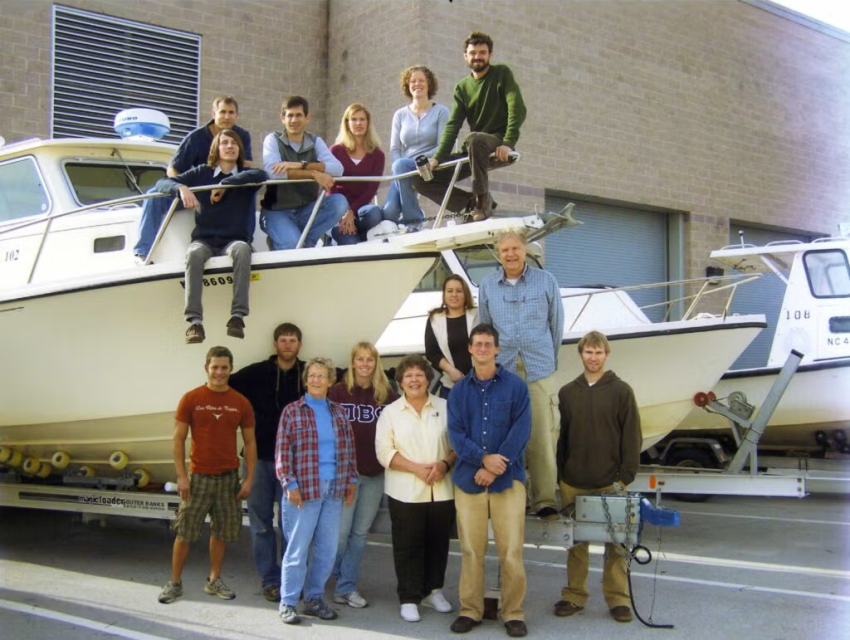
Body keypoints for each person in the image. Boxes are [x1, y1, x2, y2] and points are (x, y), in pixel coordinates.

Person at [448, 323, 531, 638]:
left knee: (511, 551)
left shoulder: (516, 387)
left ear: (497, 349)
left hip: (508, 480)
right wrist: (482, 459)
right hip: (469, 479)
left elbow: (521, 431)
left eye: (488, 344)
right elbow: (456, 435)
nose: (482, 349)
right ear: (470, 349)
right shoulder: (459, 392)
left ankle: (513, 613)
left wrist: (495, 466)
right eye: (477, 344)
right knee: (471, 550)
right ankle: (471, 610)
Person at [554, 331, 641, 624]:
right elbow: (563, 436)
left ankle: (618, 599)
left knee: (616, 545)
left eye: (598, 353)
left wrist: (625, 476)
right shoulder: (567, 392)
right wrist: (560, 474)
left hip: (610, 481)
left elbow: (632, 436)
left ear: (607, 355)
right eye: (588, 352)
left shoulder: (622, 391)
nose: (593, 358)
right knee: (575, 543)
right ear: (581, 354)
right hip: (573, 480)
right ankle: (574, 595)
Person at [157, 346, 256, 604]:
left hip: (228, 479)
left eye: (224, 367)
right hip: (198, 476)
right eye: (215, 367)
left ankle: (214, 580)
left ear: (230, 369)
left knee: (221, 532)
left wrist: (249, 478)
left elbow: (251, 442)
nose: (219, 372)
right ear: (206, 368)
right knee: (185, 532)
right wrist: (181, 476)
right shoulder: (191, 398)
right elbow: (178, 438)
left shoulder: (241, 402)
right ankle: (175, 582)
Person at [478, 228, 564, 519]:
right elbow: (486, 329)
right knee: (506, 437)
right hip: (504, 372)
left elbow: (556, 326)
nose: (511, 254)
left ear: (525, 250)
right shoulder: (488, 286)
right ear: (498, 254)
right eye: (505, 250)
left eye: (516, 248)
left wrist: (548, 362)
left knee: (541, 436)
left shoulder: (546, 281)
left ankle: (544, 500)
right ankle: (513, 496)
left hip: (539, 369)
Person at [154, 128, 266, 344]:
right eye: (225, 143)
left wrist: (225, 184)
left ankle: (237, 317)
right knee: (194, 254)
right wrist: (182, 188)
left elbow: (262, 175)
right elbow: (162, 184)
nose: (230, 146)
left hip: (233, 240)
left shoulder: (245, 176)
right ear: (217, 148)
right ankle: (194, 322)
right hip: (204, 239)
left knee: (243, 250)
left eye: (234, 143)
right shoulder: (202, 173)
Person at [275, 357, 357, 625]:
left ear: (330, 380)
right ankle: (288, 602)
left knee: (327, 549)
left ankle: (313, 598)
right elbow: (282, 452)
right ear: (305, 379)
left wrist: (350, 483)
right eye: (312, 375)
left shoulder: (338, 412)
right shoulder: (292, 411)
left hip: (334, 489)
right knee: (297, 549)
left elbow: (349, 451)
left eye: (322, 375)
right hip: (304, 489)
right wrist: (290, 484)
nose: (317, 379)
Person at [375, 355, 457, 623]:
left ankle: (433, 591)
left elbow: (458, 443)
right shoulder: (390, 413)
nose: (414, 380)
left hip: (441, 489)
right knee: (407, 545)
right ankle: (409, 597)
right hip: (405, 491)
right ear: (400, 382)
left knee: (437, 543)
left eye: (419, 375)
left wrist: (444, 465)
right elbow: (384, 452)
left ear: (428, 379)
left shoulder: (446, 407)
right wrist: (416, 468)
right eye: (408, 376)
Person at [228, 322, 305, 603]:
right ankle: (269, 579)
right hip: (258, 458)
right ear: (275, 344)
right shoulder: (258, 372)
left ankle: (289, 576)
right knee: (261, 522)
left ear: (299, 345)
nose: (287, 344)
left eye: (292, 340)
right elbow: (227, 384)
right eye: (283, 340)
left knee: (290, 525)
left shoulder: (307, 373)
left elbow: (342, 378)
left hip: (294, 462)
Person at [419, 31, 527, 222]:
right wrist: (437, 159)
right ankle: (470, 203)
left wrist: (509, 142)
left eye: (482, 52)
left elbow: (517, 108)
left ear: (490, 55)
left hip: (497, 142)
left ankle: (481, 200)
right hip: (474, 150)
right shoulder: (462, 87)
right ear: (465, 56)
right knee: (420, 179)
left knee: (476, 139)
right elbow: (453, 125)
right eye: (473, 53)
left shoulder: (502, 74)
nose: (477, 56)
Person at [134, 95, 252, 263]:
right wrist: (183, 189)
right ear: (213, 113)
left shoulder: (242, 135)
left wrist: (226, 184)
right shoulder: (196, 138)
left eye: (231, 112)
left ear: (237, 115)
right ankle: (142, 251)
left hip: (229, 191)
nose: (227, 116)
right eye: (222, 112)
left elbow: (246, 165)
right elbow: (173, 169)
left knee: (250, 191)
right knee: (154, 195)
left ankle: (247, 242)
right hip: (197, 192)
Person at [328, 342, 399, 607]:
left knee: (359, 533)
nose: (365, 364)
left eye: (370, 359)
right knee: (340, 534)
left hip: (374, 473)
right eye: (360, 359)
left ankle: (346, 586)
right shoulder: (337, 392)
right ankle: (326, 575)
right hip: (346, 473)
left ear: (376, 362)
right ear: (353, 361)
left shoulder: (387, 394)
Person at [261, 96, 348, 249]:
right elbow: (273, 172)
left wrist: (301, 165)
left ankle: (307, 241)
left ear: (307, 117)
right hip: (277, 211)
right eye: (290, 115)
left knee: (339, 202)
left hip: (307, 209)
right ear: (282, 118)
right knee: (292, 244)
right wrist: (313, 174)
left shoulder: (315, 141)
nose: (294, 120)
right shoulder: (273, 139)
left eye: (299, 115)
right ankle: (287, 241)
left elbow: (338, 169)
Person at [383, 65, 450, 227]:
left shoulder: (441, 112)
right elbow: (394, 149)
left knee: (401, 165)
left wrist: (418, 161)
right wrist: (399, 168)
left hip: (429, 165)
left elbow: (444, 145)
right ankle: (412, 219)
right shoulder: (400, 115)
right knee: (389, 211)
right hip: (402, 168)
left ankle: (413, 221)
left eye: (421, 80)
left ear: (429, 84)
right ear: (407, 85)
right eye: (413, 81)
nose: (417, 84)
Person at [328, 103, 388, 244]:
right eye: (353, 119)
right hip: (338, 209)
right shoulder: (335, 151)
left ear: (368, 123)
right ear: (347, 123)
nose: (358, 123)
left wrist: (351, 212)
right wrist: (344, 212)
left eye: (362, 119)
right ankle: (344, 235)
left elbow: (371, 189)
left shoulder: (378, 154)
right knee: (350, 244)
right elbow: (330, 186)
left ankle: (355, 232)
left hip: (361, 210)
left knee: (375, 213)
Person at [425, 275, 478, 399]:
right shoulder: (435, 319)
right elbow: (432, 352)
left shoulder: (477, 315)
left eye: (459, 291)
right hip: (451, 386)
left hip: (479, 384)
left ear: (465, 294)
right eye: (450, 291)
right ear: (444, 294)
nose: (454, 294)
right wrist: (451, 371)